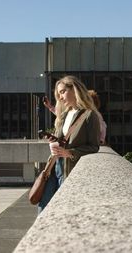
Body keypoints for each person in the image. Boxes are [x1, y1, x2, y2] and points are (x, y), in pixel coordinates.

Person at [38, 75, 100, 213]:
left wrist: (70, 153)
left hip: (71, 172)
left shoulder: (90, 116)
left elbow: (94, 147)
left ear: (75, 90)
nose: (60, 97)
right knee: (43, 207)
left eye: (62, 92)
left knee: (62, 210)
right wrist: (53, 141)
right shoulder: (65, 115)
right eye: (58, 94)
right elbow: (61, 140)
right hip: (55, 168)